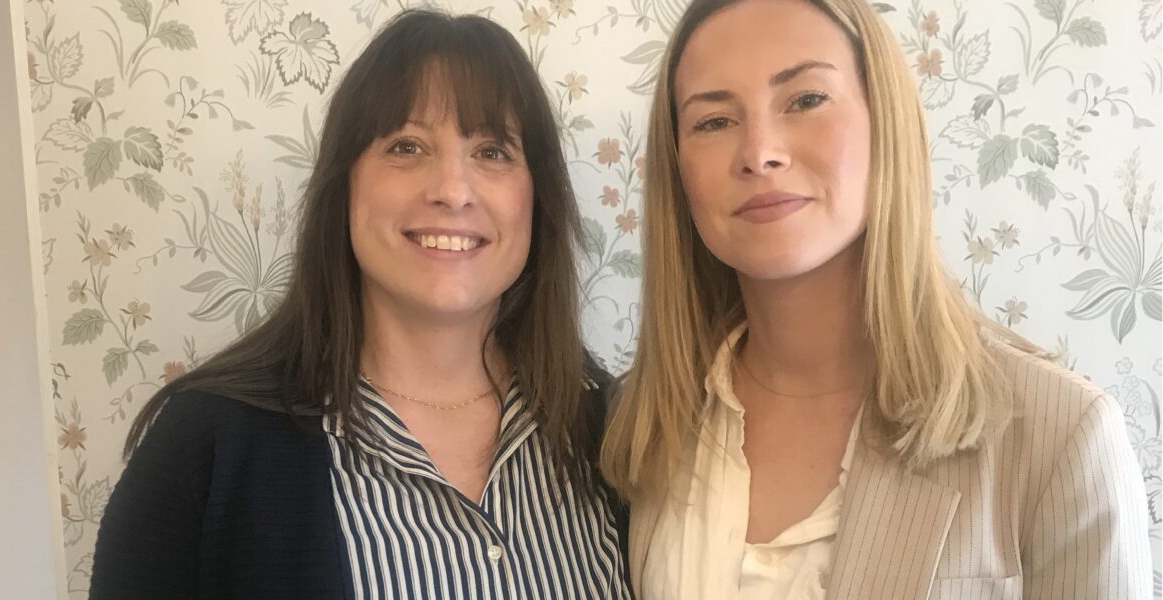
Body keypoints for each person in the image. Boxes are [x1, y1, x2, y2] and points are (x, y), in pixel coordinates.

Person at [600, 0, 1151, 598]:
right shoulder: (638, 428)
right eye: (713, 121)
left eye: (806, 99)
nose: (759, 153)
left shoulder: (1061, 435)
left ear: (884, 120)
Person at [91, 10, 631, 599]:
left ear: (538, 195)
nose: (453, 190)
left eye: (493, 152)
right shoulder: (204, 448)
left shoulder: (615, 433)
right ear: (344, 184)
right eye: (407, 145)